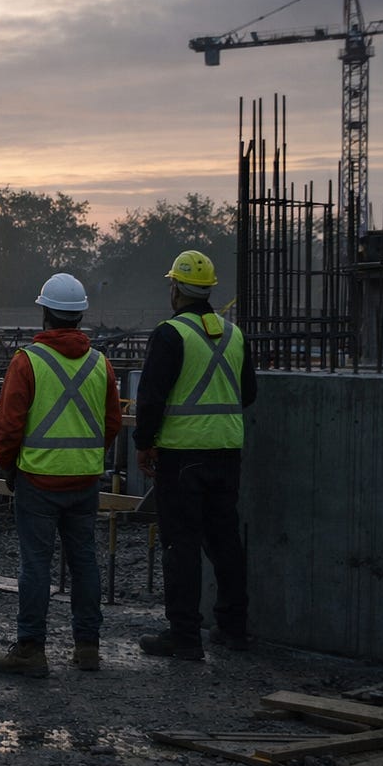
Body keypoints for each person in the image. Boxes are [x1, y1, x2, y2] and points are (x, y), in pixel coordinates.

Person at [0, 273, 121, 677]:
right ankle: (87, 648)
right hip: (84, 482)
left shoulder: (27, 361)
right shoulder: (101, 364)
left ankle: (31, 648)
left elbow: (9, 425)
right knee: (85, 563)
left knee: (36, 565)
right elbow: (112, 422)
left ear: (45, 312)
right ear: (80, 316)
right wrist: (85, 457)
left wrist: (8, 466)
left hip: (38, 481)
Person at [134, 250, 258, 661]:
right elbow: (249, 393)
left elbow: (150, 398)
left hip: (182, 456)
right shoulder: (234, 334)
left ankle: (184, 635)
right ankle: (233, 628)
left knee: (181, 544)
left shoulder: (171, 334)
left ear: (176, 289)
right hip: (227, 451)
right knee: (225, 541)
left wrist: (144, 443)